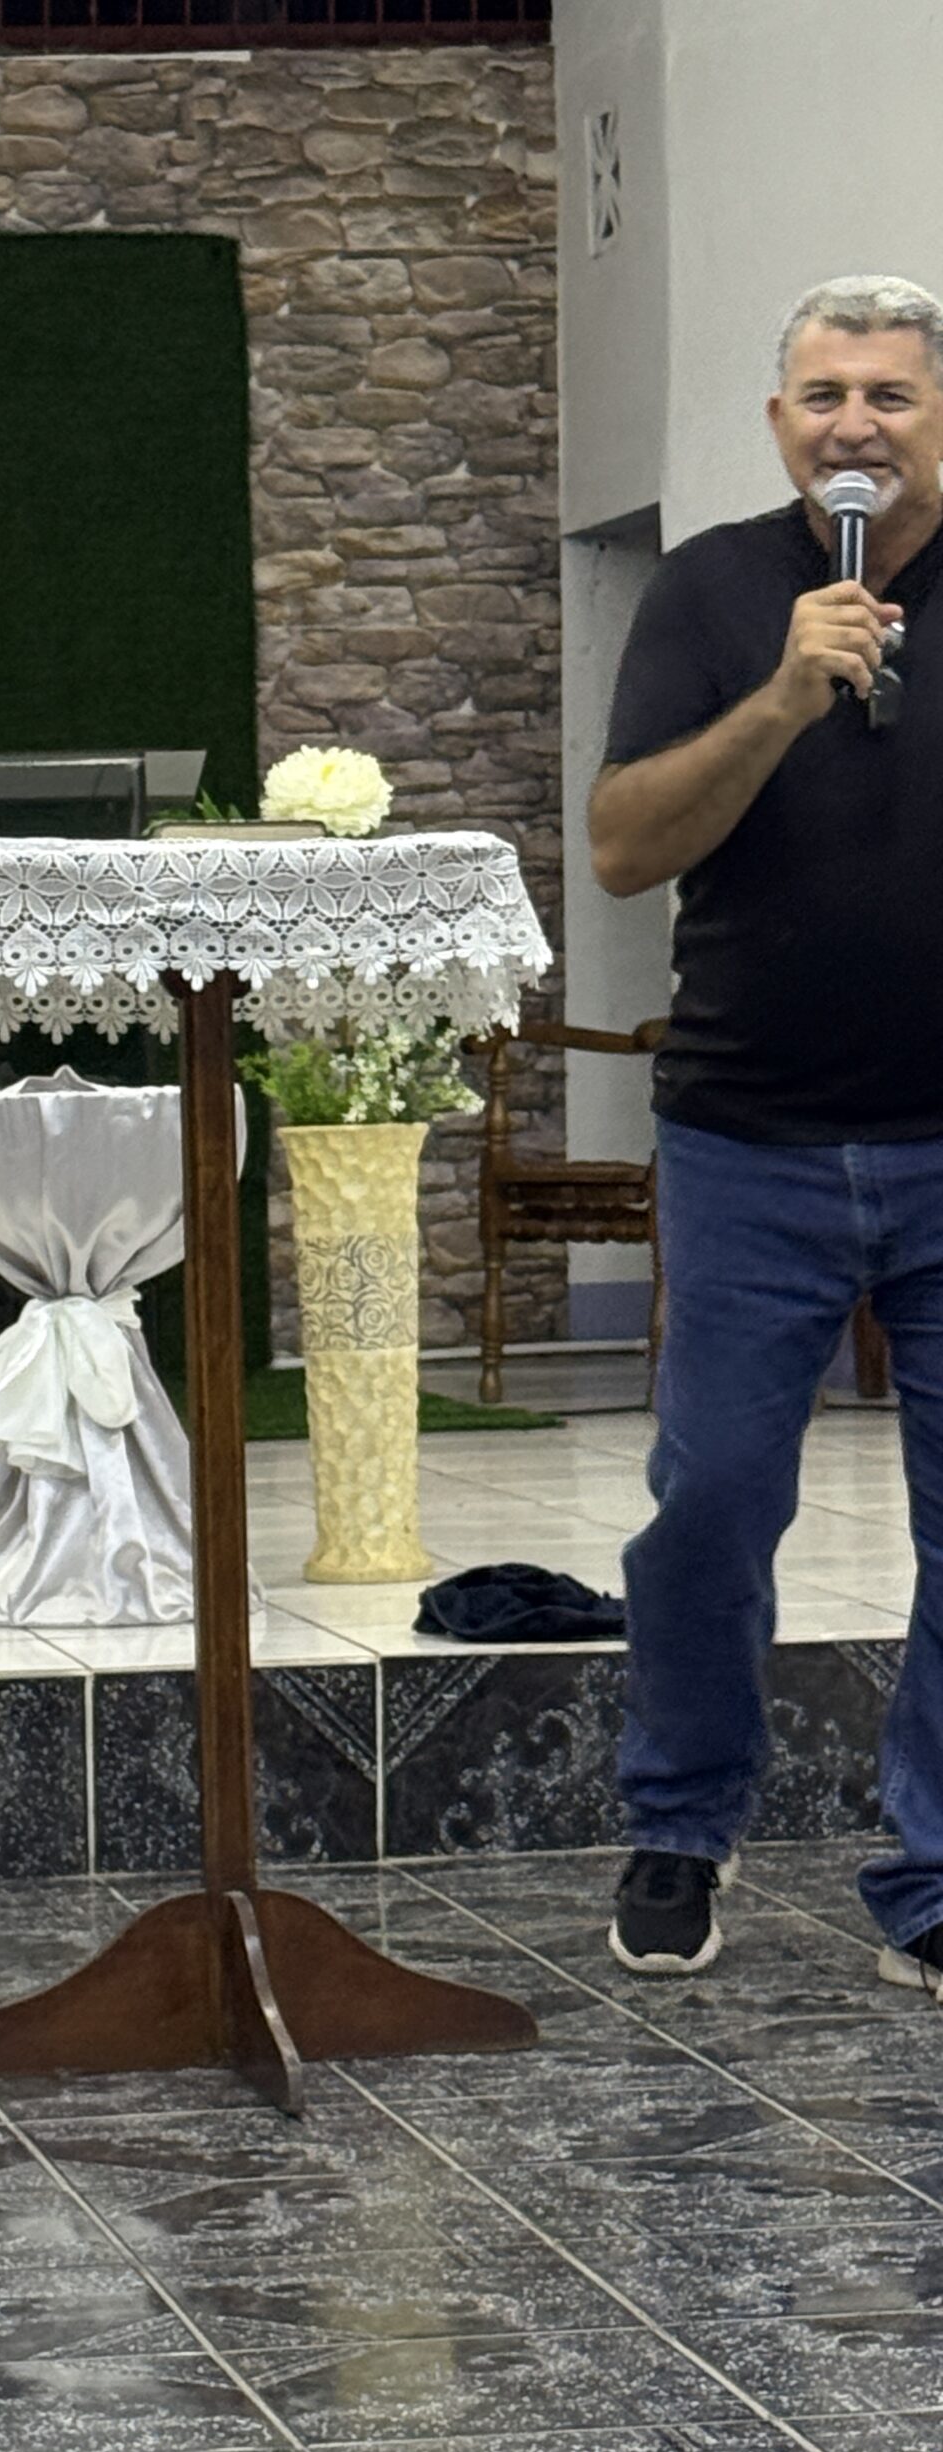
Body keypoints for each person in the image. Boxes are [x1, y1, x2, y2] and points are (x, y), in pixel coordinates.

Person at [592, 273, 943, 1988]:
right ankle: (681, 1822)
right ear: (779, 422)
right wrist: (787, 698)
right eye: (824, 397)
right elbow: (623, 848)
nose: (854, 424)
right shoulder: (716, 590)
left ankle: (935, 1876)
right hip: (749, 1137)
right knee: (713, 1503)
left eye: (889, 395)